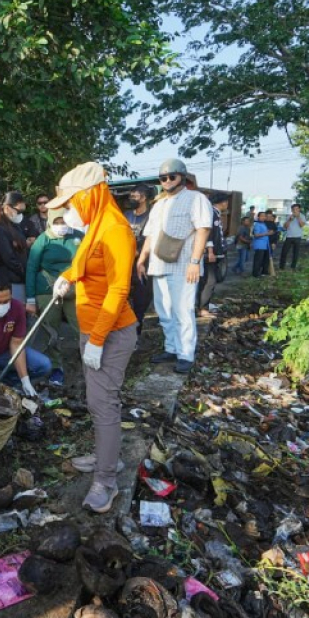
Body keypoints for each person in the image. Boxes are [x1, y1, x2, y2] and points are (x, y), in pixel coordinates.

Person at [50, 162, 137, 513]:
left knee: (104, 406)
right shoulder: (96, 226)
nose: (70, 210)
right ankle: (106, 456)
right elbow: (89, 262)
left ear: (91, 195)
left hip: (112, 333)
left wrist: (98, 339)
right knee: (96, 401)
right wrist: (68, 276)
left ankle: (107, 480)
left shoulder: (115, 229)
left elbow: (118, 289)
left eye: (72, 202)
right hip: (93, 329)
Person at [135, 158, 212, 374]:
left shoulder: (195, 199)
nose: (167, 181)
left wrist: (195, 262)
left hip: (184, 266)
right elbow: (150, 234)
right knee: (164, 311)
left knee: (183, 311)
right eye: (163, 178)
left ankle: (186, 354)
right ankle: (171, 348)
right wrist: (142, 260)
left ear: (182, 177)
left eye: (172, 176)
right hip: (158, 265)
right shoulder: (159, 205)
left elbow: (203, 230)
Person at [24, 208, 82, 386]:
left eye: (63, 222)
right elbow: (31, 269)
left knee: (81, 324)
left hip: (73, 288)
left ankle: (89, 360)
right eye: (56, 223)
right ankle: (56, 368)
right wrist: (31, 299)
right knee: (51, 330)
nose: (60, 226)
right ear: (50, 222)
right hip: (47, 289)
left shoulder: (78, 237)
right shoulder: (43, 240)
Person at [125, 184, 154, 336]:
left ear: (143, 198)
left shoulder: (152, 216)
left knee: (140, 303)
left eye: (134, 197)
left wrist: (140, 255)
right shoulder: (126, 215)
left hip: (144, 265)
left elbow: (153, 240)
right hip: (125, 264)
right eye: (131, 196)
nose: (132, 199)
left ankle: (136, 335)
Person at [0, 191, 29, 301]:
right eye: (18, 211)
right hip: (9, 280)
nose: (20, 214)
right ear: (7, 208)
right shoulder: (0, 229)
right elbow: (8, 257)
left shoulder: (15, 226)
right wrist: (24, 272)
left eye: (22, 211)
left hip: (19, 279)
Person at [197, 192, 228, 317]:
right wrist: (210, 251)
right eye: (226, 202)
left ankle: (202, 306)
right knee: (209, 281)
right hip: (210, 253)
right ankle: (202, 308)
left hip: (215, 253)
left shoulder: (215, 213)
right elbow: (208, 233)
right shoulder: (211, 213)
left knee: (208, 281)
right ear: (222, 202)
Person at [280, 203, 305, 269]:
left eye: (296, 209)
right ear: (291, 210)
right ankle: (282, 267)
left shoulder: (302, 216)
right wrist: (289, 220)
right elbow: (285, 227)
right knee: (284, 252)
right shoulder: (289, 216)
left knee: (295, 253)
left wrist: (298, 217)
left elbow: (302, 225)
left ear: (299, 209)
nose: (295, 210)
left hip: (298, 237)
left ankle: (293, 267)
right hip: (289, 237)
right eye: (293, 209)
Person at [251, 211, 274, 277]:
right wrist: (267, 233)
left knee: (262, 260)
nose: (264, 217)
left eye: (264, 216)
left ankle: (261, 272)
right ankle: (255, 274)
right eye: (262, 216)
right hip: (259, 245)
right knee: (258, 260)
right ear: (258, 217)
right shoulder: (257, 225)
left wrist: (268, 232)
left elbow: (264, 232)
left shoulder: (263, 224)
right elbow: (256, 235)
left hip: (265, 245)